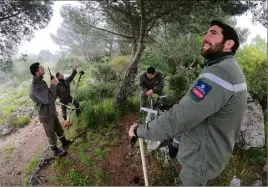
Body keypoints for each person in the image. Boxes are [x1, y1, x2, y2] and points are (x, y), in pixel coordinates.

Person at [129, 20, 247, 186]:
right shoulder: (228, 69)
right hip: (209, 153)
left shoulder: (219, 73)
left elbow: (181, 117)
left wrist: (140, 130)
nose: (205, 37)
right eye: (206, 33)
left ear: (228, 43)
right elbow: (197, 114)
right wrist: (177, 143)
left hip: (201, 159)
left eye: (213, 33)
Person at [29, 62, 72, 156]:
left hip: (50, 111)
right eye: (40, 68)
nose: (43, 68)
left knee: (58, 128)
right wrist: (53, 85)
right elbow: (49, 98)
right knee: (50, 132)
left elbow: (49, 97)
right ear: (37, 72)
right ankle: (55, 150)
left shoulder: (41, 82)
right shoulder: (35, 87)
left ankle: (64, 142)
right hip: (45, 114)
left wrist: (53, 109)